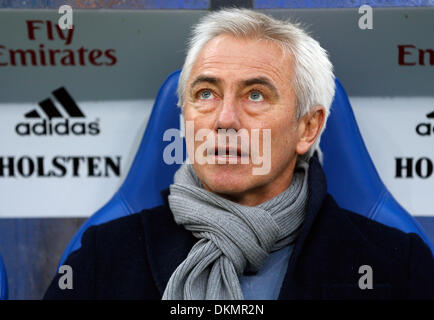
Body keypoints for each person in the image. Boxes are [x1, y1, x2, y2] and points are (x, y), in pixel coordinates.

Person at [44, 8, 434, 300]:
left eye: (255, 95)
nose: (225, 120)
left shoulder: (397, 267)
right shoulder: (103, 258)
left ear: (308, 127)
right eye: (206, 94)